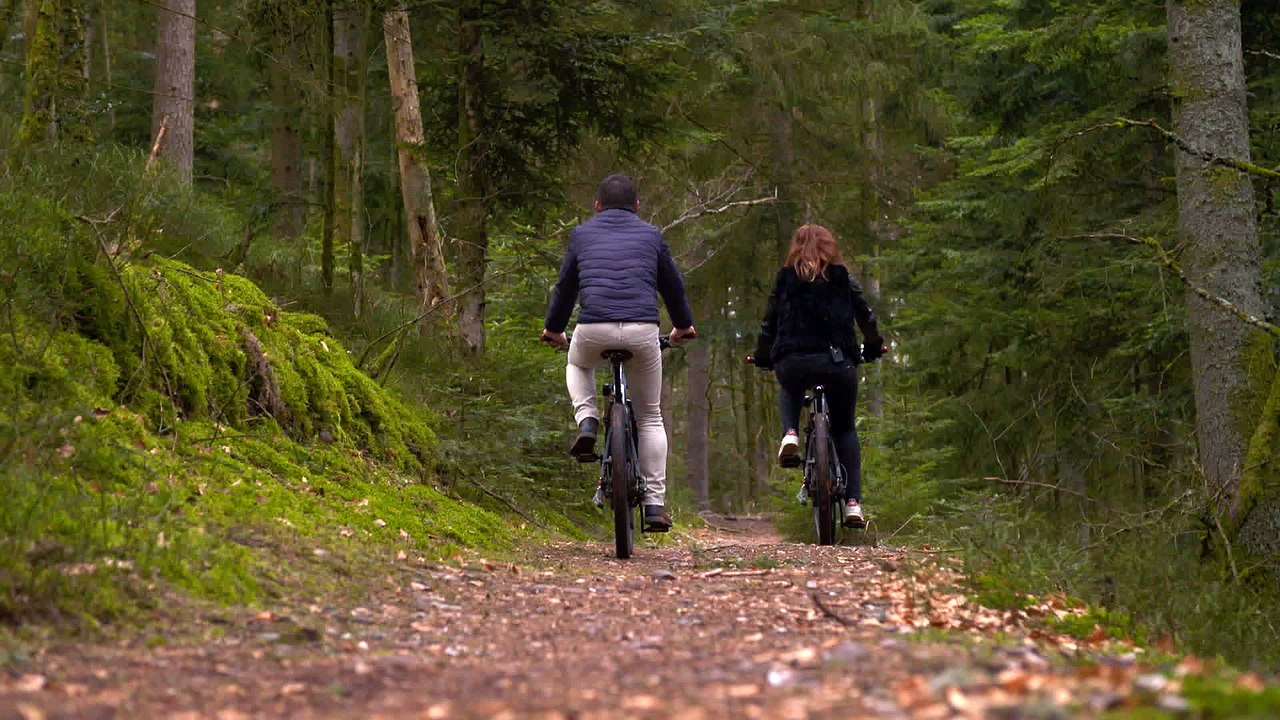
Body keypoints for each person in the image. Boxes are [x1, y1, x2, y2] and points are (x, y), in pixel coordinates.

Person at [541, 174, 697, 532]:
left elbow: (565, 288)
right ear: (637, 207)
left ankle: (588, 419)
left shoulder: (582, 235)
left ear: (597, 206)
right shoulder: (652, 235)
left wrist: (553, 329)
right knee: (650, 416)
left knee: (577, 363)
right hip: (642, 330)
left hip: (593, 328)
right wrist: (682, 326)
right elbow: (673, 287)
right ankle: (655, 505)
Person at [752, 224, 883, 528]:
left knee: (789, 384)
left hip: (793, 360)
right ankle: (853, 504)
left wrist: (763, 355)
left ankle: (790, 433)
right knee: (845, 429)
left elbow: (768, 323)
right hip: (838, 363)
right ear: (829, 246)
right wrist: (874, 345)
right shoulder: (842, 277)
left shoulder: (785, 278)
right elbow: (866, 316)